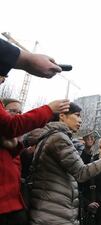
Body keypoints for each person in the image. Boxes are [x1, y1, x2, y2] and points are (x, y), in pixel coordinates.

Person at [25, 103, 101, 225]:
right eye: (77, 115)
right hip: (54, 214)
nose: (80, 120)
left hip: (49, 210)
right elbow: (81, 173)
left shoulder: (50, 137)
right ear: (62, 116)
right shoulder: (59, 138)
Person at [0, 85, 70, 224]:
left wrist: (25, 150)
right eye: (13, 111)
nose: (19, 115)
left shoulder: (17, 144)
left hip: (15, 206)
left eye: (21, 111)